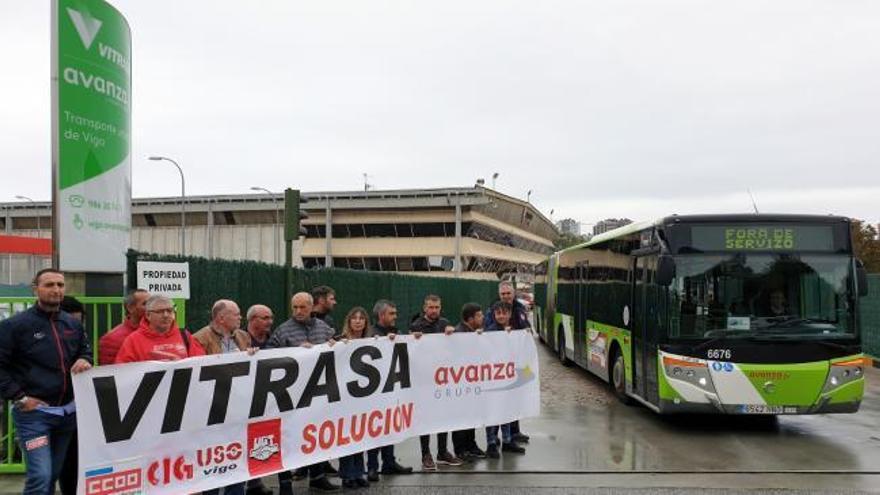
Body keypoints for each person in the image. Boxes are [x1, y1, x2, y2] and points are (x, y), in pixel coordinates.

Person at [0, 268, 93, 495]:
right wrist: (20, 397)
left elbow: (86, 352)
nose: (56, 290)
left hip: (67, 415)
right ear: (36, 289)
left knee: (52, 475)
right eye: (49, 285)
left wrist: (84, 359)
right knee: (40, 477)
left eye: (60, 285)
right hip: (34, 417)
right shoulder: (15, 326)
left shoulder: (72, 325)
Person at [266, 292, 339, 493]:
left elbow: (337, 350)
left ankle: (317, 477)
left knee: (314, 437)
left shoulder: (323, 328)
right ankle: (285, 484)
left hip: (317, 394)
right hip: (291, 397)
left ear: (311, 307)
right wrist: (296, 351)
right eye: (295, 307)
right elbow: (269, 356)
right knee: (288, 438)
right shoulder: (282, 331)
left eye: (302, 307)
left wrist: (335, 346)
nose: (298, 311)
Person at [192, 300, 254, 495]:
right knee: (212, 458)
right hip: (213, 409)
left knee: (237, 455)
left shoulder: (243, 337)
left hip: (238, 408)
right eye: (236, 314)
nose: (240, 317)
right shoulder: (200, 338)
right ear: (221, 317)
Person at [409, 295, 460, 471]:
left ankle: (442, 452)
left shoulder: (445, 323)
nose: (434, 310)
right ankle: (426, 454)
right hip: (424, 380)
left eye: (437, 307)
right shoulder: (416, 325)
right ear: (425, 308)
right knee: (425, 418)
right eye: (431, 307)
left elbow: (454, 346)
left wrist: (452, 333)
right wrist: (413, 338)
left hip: (442, 379)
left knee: (442, 416)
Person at [364, 300, 413, 481]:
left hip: (391, 387)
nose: (395, 316)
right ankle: (372, 466)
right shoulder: (370, 334)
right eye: (391, 313)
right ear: (381, 315)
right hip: (374, 391)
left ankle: (389, 462)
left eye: (395, 313)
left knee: (390, 426)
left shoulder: (396, 332)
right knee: (375, 429)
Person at [483, 281, 531, 444]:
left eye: (508, 293)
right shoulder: (492, 309)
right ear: (499, 294)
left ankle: (515, 432)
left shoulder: (520, 308)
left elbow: (526, 326)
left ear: (514, 293)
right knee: (500, 399)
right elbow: (488, 330)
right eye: (503, 294)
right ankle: (495, 436)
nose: (506, 296)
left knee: (515, 396)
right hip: (498, 361)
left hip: (516, 359)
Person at [337, 307, 372, 489]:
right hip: (344, 397)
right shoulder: (339, 341)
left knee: (360, 436)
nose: (358, 321)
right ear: (348, 321)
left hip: (363, 397)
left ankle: (359, 472)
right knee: (346, 436)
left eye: (361, 318)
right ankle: (347, 474)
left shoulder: (374, 343)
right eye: (354, 318)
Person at [115, 295, 205, 363]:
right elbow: (124, 373)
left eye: (169, 311)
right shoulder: (133, 341)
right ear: (148, 315)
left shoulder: (185, 336)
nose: (166, 315)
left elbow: (200, 363)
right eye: (160, 311)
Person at [243, 305, 275, 495]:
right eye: (265, 318)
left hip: (268, 398)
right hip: (245, 398)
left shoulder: (274, 339)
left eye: (270, 317)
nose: (269, 321)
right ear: (252, 319)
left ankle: (255, 483)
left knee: (260, 440)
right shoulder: (241, 338)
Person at [57, 296, 86, 495]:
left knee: (72, 464)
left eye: (78, 322)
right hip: (42, 413)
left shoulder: (82, 342)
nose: (73, 328)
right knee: (42, 472)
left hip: (76, 412)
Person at [451, 303, 487, 461]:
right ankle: (460, 449)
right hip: (460, 383)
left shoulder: (473, 333)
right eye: (479, 315)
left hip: (471, 382)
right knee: (460, 417)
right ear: (471, 319)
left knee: (471, 414)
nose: (483, 317)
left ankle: (471, 445)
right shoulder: (459, 333)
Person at [99, 289, 149, 365]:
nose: (151, 307)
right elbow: (109, 372)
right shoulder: (111, 339)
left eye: (152, 303)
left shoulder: (160, 331)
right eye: (145, 304)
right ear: (130, 308)